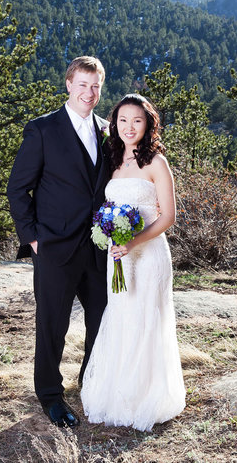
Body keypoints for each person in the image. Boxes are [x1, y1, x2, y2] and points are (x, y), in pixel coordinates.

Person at [7, 56, 111, 428]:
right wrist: (32, 239)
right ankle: (50, 395)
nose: (89, 92)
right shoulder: (43, 129)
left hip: (98, 248)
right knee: (53, 325)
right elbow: (18, 188)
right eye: (82, 84)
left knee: (103, 319)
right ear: (68, 85)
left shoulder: (107, 130)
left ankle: (91, 382)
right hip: (54, 247)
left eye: (95, 85)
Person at [80, 93, 186, 431]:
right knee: (122, 316)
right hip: (119, 257)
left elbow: (168, 216)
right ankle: (119, 392)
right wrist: (111, 237)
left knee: (146, 319)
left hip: (149, 254)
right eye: (123, 120)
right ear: (115, 124)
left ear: (147, 124)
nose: (129, 127)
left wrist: (133, 242)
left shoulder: (156, 163)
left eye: (137, 121)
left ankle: (145, 396)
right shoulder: (111, 161)